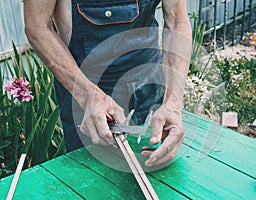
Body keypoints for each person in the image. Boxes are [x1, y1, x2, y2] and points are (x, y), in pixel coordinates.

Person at [24, 0, 192, 167]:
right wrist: (89, 96)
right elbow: (38, 27)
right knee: (93, 182)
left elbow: (177, 21)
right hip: (87, 99)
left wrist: (172, 103)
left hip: (149, 88)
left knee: (158, 175)